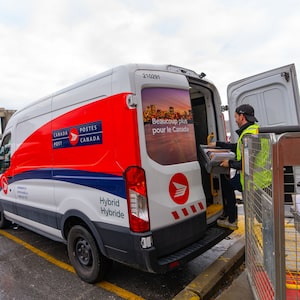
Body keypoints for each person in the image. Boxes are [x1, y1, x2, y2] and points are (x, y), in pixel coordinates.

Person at [208, 104, 259, 230]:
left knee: (228, 184)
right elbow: (238, 147)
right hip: (257, 178)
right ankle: (231, 217)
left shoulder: (248, 135)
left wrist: (229, 164)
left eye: (236, 116)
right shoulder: (253, 130)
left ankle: (232, 220)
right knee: (228, 182)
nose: (235, 120)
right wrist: (218, 144)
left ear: (242, 117)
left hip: (253, 180)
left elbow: (247, 162)